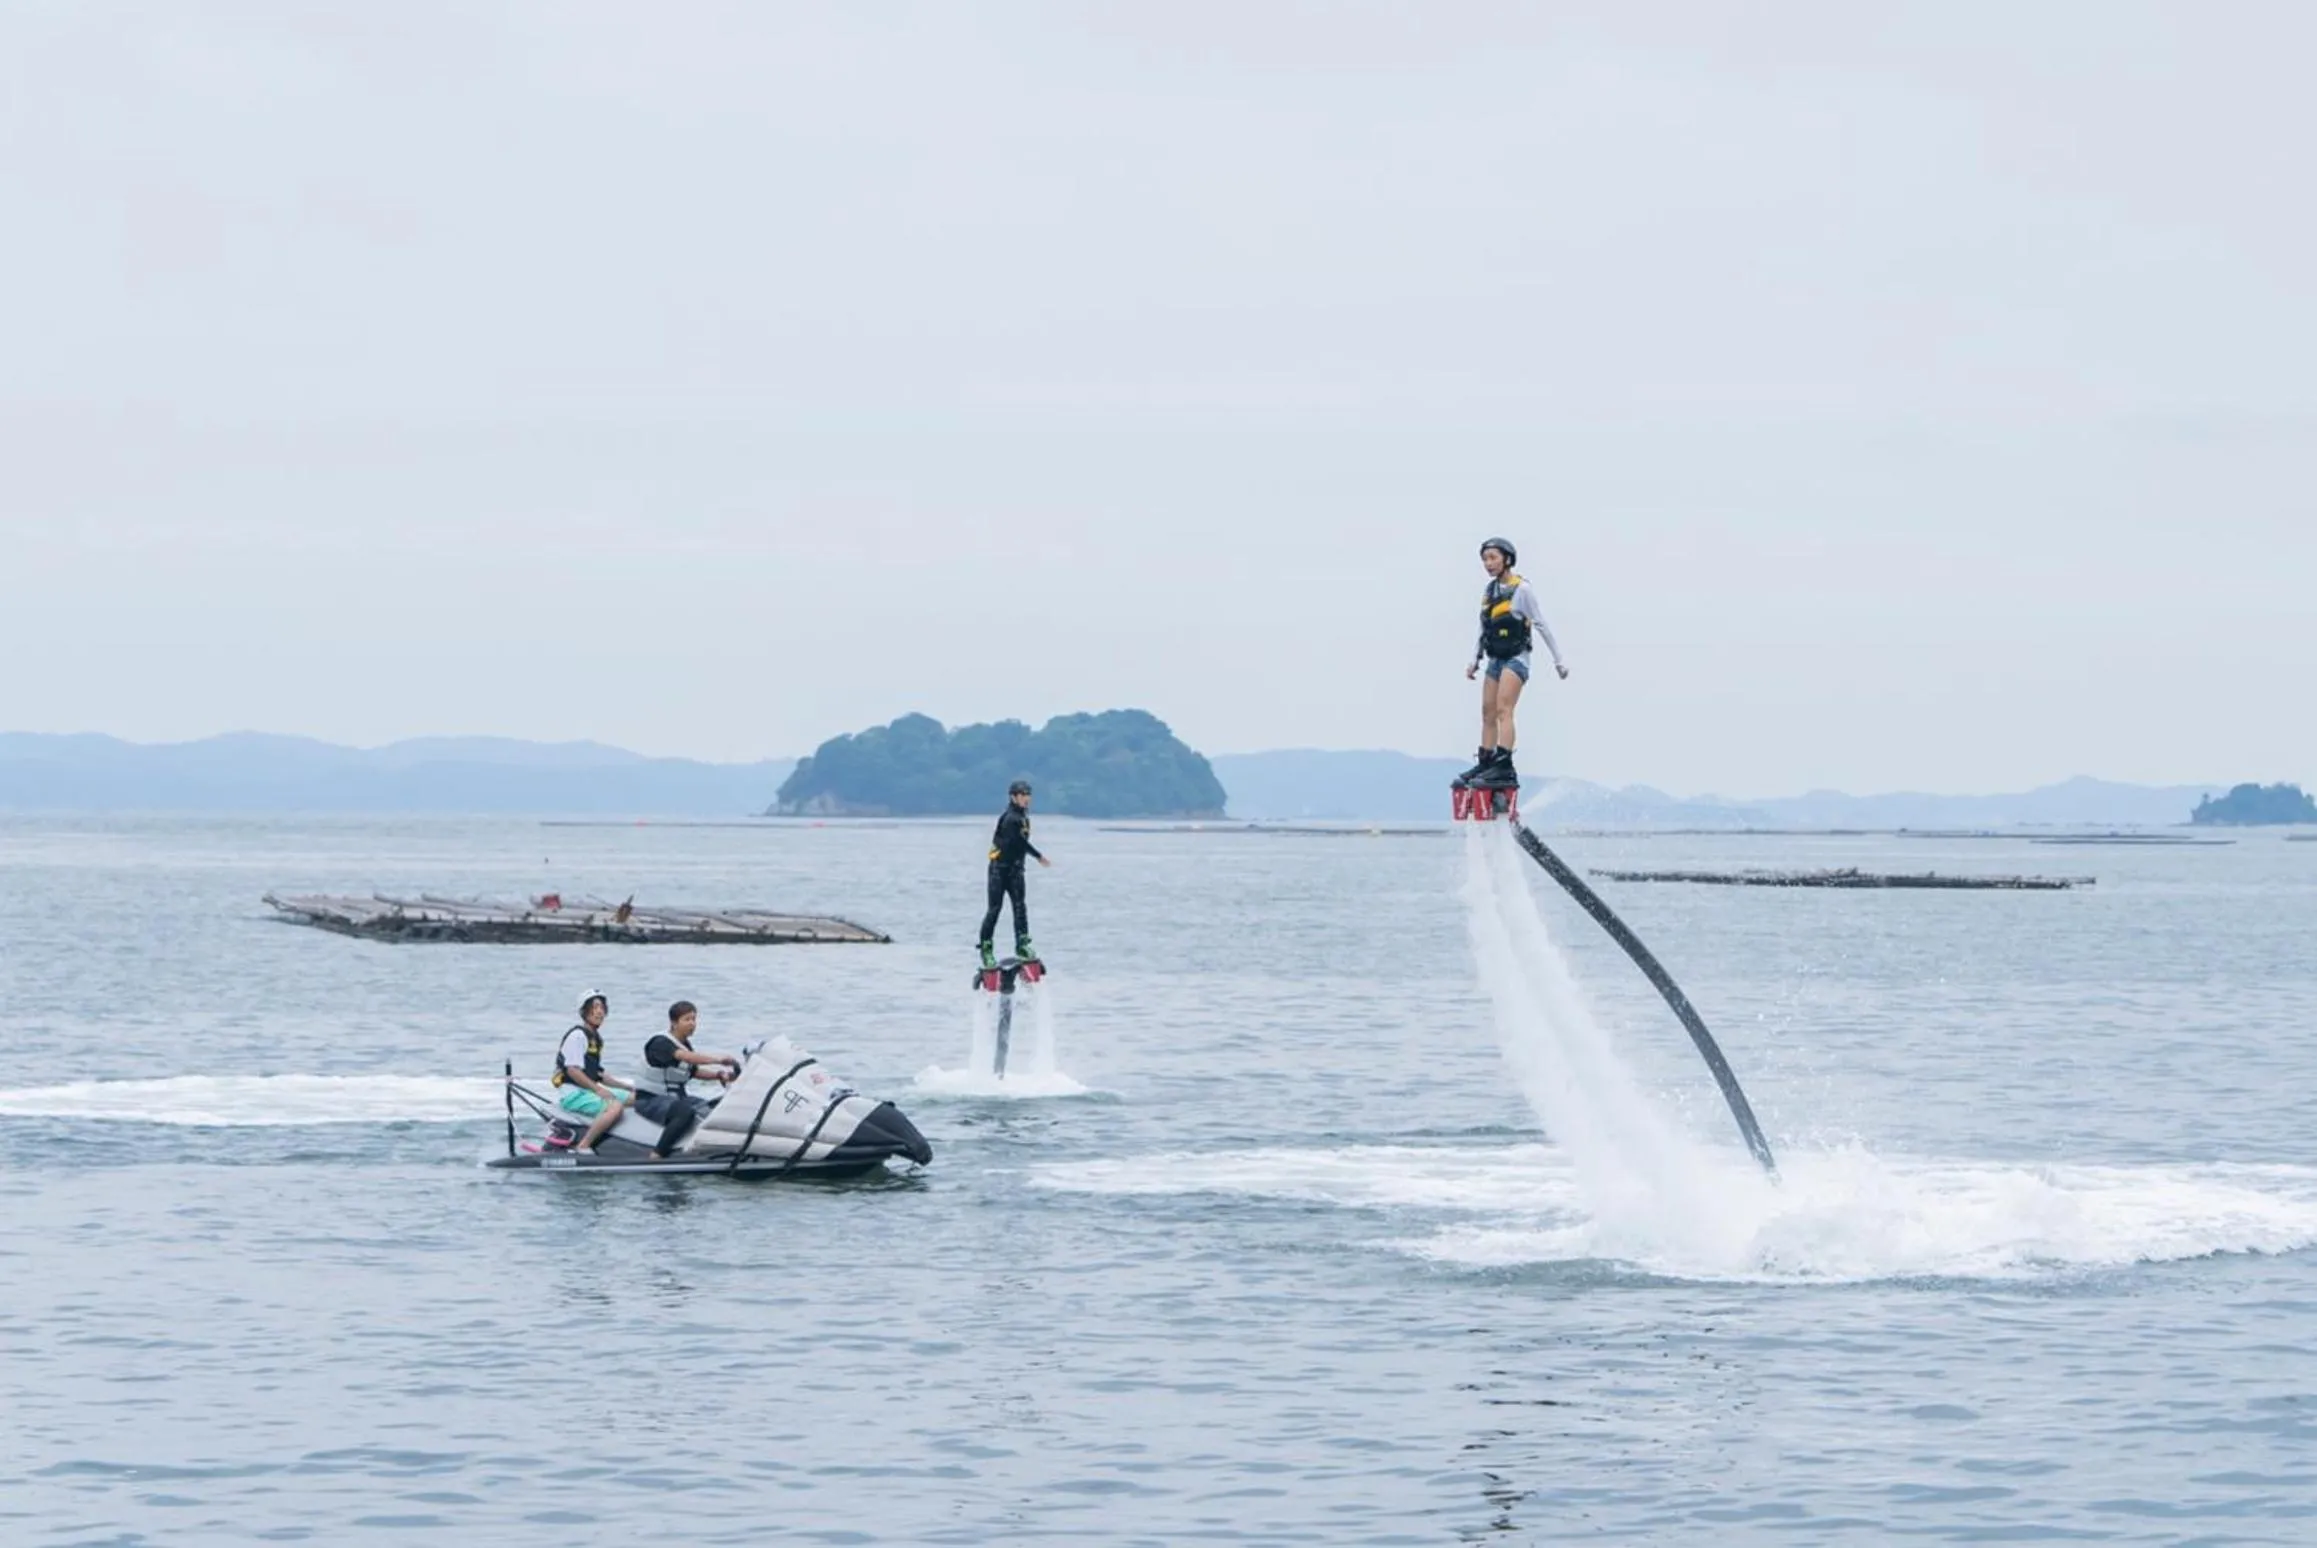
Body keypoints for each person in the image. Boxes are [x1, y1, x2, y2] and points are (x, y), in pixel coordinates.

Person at [1461, 537, 1568, 790]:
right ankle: (1486, 762)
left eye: (1493, 558)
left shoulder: (1522, 590)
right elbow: (1483, 628)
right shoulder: (1489, 593)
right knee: (1487, 711)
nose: (1488, 564)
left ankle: (1504, 763)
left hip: (1516, 658)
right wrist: (1474, 659)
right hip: (1495, 659)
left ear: (1507, 559)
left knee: (1503, 709)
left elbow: (1541, 623)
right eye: (1485, 560)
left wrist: (1559, 660)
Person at [977, 778, 1050, 969]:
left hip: (1016, 870)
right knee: (995, 908)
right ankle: (986, 948)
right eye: (1022, 795)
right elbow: (1019, 842)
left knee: (1020, 907)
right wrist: (1038, 856)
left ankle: (1022, 944)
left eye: (1028, 795)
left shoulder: (1024, 817)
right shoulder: (1010, 818)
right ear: (1013, 797)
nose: (1026, 799)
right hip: (998, 870)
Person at [552, 992, 635, 1153]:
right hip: (573, 1095)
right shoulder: (577, 1036)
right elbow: (573, 1071)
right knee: (615, 1107)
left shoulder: (595, 1039)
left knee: (638, 1098)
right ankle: (584, 1145)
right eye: (594, 1007)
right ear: (584, 1011)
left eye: (602, 1008)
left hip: (588, 1091)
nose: (599, 1012)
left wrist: (627, 1087)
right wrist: (599, 1090)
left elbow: (599, 1075)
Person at [634, 1000, 740, 1102]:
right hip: (651, 1098)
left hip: (675, 1097)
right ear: (674, 1023)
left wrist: (718, 1075)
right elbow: (685, 1057)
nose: (692, 1023)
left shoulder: (685, 1046)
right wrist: (719, 1060)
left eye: (694, 1019)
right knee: (684, 1111)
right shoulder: (660, 1043)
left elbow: (693, 1072)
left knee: (706, 1106)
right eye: (687, 1019)